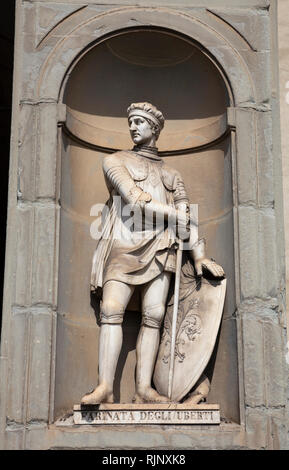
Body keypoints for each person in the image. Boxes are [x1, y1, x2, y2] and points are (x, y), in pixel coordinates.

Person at [81, 102, 224, 405]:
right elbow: (134, 200)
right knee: (111, 309)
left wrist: (199, 256)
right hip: (123, 241)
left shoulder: (172, 174)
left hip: (162, 247)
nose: (133, 127)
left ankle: (144, 389)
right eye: (130, 122)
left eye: (139, 122)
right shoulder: (114, 161)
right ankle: (105, 386)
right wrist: (175, 214)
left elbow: (188, 220)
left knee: (154, 316)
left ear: (154, 129)